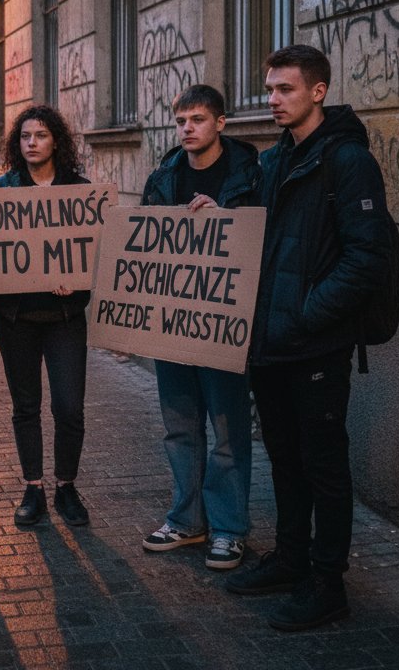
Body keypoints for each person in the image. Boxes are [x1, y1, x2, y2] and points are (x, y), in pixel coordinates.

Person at [226, 44, 391, 632]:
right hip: (269, 344)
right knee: (286, 460)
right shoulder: (275, 161)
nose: (272, 99)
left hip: (314, 344)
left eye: (284, 90)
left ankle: (328, 583)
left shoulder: (347, 161)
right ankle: (291, 560)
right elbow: (256, 238)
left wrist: (303, 315)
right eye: (269, 89)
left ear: (317, 91)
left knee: (324, 465)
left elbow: (365, 258)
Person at [139, 85, 260, 570]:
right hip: (173, 326)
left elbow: (261, 237)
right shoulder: (164, 176)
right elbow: (143, 242)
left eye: (197, 119)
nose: (187, 128)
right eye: (181, 120)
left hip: (224, 325)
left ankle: (229, 529)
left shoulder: (249, 174)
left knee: (229, 431)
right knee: (180, 428)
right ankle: (187, 520)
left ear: (221, 123)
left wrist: (223, 220)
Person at [0, 105, 92, 528]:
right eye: (25, 136)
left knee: (69, 407)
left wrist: (79, 283)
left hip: (65, 316)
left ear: (56, 142)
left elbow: (94, 253)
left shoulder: (79, 190)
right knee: (25, 406)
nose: (31, 143)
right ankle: (33, 488)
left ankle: (66, 485)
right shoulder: (2, 188)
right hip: (17, 316)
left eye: (41, 135)